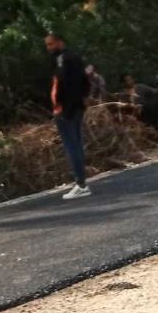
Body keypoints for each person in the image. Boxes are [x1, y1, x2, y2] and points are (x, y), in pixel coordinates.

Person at [43, 32, 92, 200]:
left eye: (51, 44)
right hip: (76, 107)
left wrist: (60, 106)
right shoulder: (75, 57)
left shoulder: (63, 59)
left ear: (59, 42)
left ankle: (81, 184)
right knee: (76, 144)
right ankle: (81, 182)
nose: (49, 48)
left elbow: (60, 83)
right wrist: (83, 99)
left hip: (66, 109)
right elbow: (86, 81)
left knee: (72, 146)